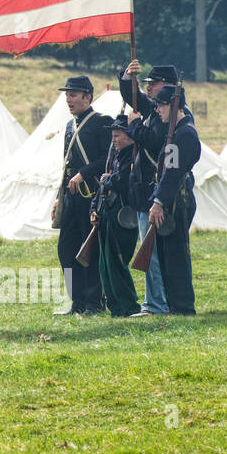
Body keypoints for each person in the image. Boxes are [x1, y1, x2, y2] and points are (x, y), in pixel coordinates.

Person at [118, 62, 191, 315]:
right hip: (150, 192)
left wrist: (135, 126)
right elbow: (133, 97)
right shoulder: (160, 110)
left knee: (164, 254)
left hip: (165, 194)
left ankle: (159, 304)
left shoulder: (177, 120)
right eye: (147, 84)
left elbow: (154, 139)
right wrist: (128, 77)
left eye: (154, 83)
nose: (149, 88)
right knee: (155, 253)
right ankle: (158, 302)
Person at [53, 76, 111, 315]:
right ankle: (75, 300)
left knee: (90, 250)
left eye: (74, 94)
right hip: (71, 197)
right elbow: (66, 166)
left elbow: (107, 160)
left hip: (91, 196)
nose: (69, 99)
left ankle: (94, 302)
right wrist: (59, 198)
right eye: (67, 94)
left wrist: (83, 174)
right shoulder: (70, 126)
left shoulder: (101, 123)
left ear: (88, 96)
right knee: (66, 250)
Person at [89, 122, 141, 317]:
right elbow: (102, 187)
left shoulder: (134, 156)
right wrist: (93, 209)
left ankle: (128, 305)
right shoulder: (116, 157)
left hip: (121, 214)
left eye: (118, 135)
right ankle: (115, 307)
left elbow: (120, 180)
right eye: (113, 135)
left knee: (117, 261)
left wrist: (106, 179)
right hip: (107, 212)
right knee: (105, 264)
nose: (114, 139)